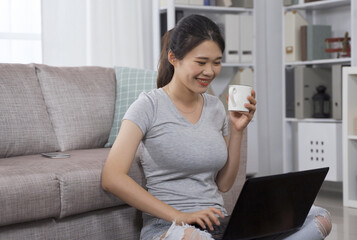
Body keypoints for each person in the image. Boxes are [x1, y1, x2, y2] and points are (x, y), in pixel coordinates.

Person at [102, 14, 331, 240]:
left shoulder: (215, 107)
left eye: (217, 62)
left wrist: (238, 129)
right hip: (170, 227)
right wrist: (179, 216)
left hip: (219, 224)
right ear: (173, 58)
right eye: (201, 62)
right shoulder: (148, 106)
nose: (210, 71)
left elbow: (224, 183)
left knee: (320, 217)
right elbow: (112, 177)